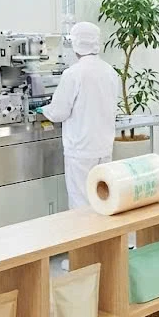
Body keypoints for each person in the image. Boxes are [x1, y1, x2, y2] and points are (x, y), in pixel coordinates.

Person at [39, 21, 120, 209]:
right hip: (104, 146)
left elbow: (59, 112)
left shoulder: (73, 73)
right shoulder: (109, 71)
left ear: (75, 44)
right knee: (102, 198)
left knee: (81, 203)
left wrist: (43, 109)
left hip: (80, 150)